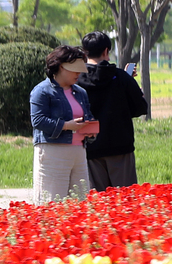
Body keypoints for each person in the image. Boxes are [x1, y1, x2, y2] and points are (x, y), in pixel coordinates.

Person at [78, 31, 147, 191]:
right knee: (125, 201)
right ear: (106, 51)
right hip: (120, 146)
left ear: (84, 52)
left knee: (98, 203)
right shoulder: (122, 77)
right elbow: (140, 108)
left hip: (90, 148)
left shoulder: (76, 80)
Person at [30, 46, 95, 203]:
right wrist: (66, 125)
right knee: (52, 201)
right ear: (61, 67)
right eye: (75, 70)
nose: (78, 74)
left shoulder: (80, 92)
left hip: (79, 151)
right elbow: (37, 120)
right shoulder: (42, 91)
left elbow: (88, 115)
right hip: (53, 151)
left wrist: (91, 130)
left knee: (80, 202)